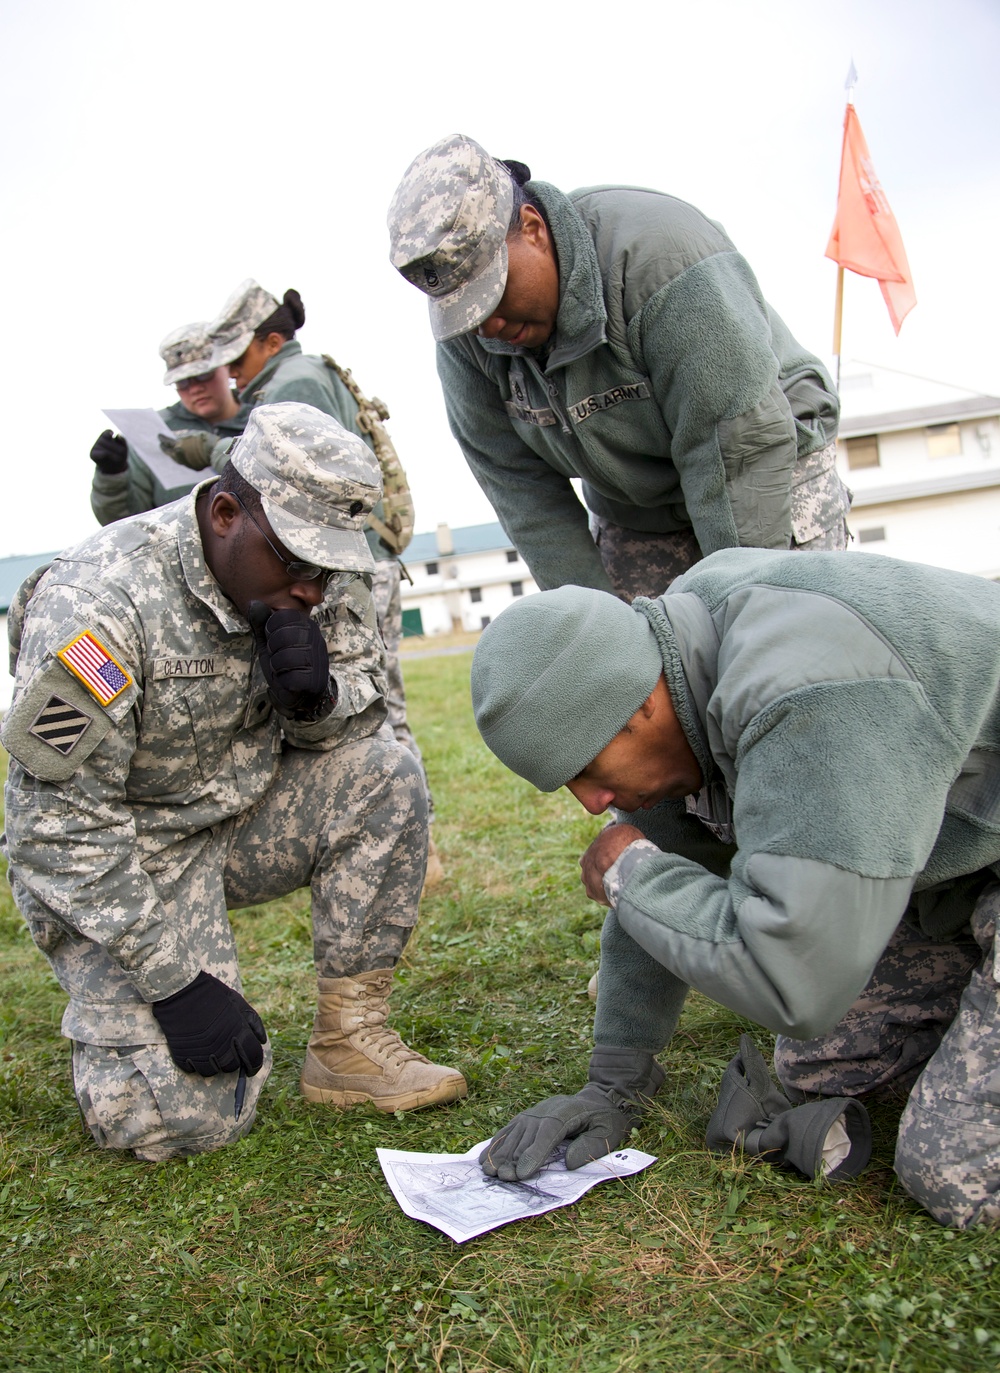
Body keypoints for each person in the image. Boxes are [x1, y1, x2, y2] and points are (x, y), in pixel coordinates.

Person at [468, 548, 1000, 1228]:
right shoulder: (677, 650)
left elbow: (795, 983)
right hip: (967, 864)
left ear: (639, 704)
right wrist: (615, 1080)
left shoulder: (807, 687)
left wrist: (631, 875)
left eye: (585, 770)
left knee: (951, 1170)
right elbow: (666, 845)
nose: (591, 803)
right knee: (825, 1066)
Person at [2, 402, 465, 1162]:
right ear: (224, 512)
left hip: (236, 814)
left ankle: (349, 1043)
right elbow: (54, 829)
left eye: (329, 568)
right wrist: (174, 982)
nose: (316, 589)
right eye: (299, 563)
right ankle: (128, 1027)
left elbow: (357, 711)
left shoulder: (308, 570)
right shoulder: (99, 603)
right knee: (184, 1118)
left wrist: (317, 701)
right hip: (128, 854)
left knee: (386, 771)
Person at [387, 133, 849, 603]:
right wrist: (601, 634)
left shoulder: (661, 260)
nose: (487, 326)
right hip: (635, 505)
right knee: (630, 659)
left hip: (764, 462)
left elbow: (736, 449)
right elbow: (521, 491)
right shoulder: (469, 341)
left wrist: (744, 620)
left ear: (532, 228)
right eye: (464, 311)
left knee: (773, 642)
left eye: (491, 293)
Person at [208, 279, 442, 882]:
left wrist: (202, 454)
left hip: (337, 564)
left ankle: (413, 845)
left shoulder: (296, 384)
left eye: (237, 359)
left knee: (374, 703)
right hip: (349, 558)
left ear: (272, 341)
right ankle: (414, 843)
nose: (231, 376)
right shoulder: (299, 377)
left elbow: (281, 482)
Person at [89, 321, 249, 526]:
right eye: (182, 382)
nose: (194, 388)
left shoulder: (260, 416)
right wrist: (111, 476)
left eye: (202, 375)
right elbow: (122, 523)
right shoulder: (155, 431)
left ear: (226, 365)